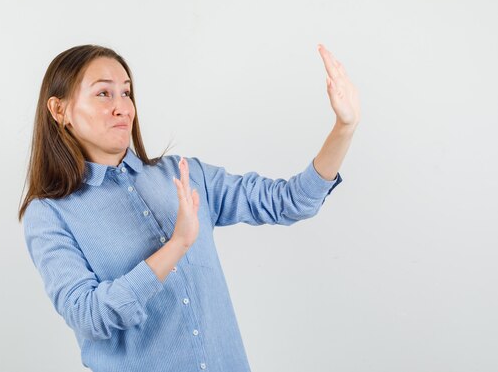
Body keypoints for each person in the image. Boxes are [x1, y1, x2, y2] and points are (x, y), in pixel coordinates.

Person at [18, 43, 360, 372]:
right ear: (59, 110)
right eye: (103, 93)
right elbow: (89, 316)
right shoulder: (49, 214)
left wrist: (344, 128)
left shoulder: (185, 174)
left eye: (126, 92)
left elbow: (290, 202)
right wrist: (177, 244)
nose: (122, 106)